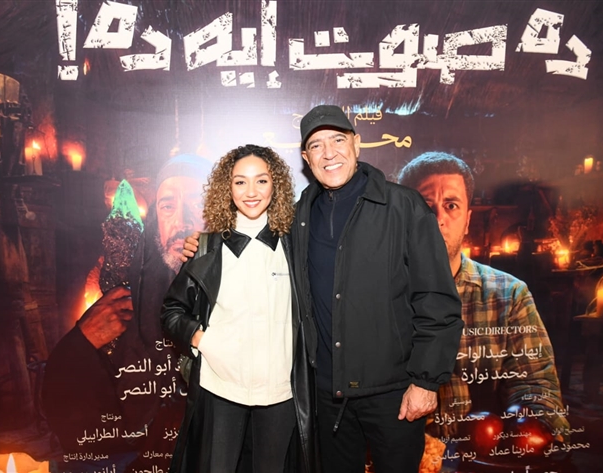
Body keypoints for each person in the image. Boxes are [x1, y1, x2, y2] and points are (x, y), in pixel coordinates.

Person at [182, 106, 463, 472]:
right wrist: (204, 245)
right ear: (306, 158)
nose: (329, 153)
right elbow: (249, 235)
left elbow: (437, 301)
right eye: (316, 145)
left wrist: (426, 382)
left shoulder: (403, 207)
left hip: (393, 395)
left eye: (337, 140)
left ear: (357, 144)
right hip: (327, 399)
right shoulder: (299, 215)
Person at [42, 154, 212, 472]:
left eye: (197, 202)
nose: (183, 221)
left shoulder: (249, 288)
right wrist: (81, 343)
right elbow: (75, 417)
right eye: (167, 206)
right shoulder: (129, 300)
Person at [397, 152, 570, 455]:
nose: (438, 218)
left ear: (467, 220)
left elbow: (537, 389)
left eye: (451, 205)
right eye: (424, 205)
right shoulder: (376, 298)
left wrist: (527, 432)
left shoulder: (509, 296)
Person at [161, 144, 318, 473]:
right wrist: (205, 341)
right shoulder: (205, 248)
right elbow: (172, 312)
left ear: (275, 185)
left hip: (280, 393)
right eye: (240, 182)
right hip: (220, 388)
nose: (251, 192)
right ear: (227, 188)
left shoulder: (295, 246)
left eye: (261, 181)